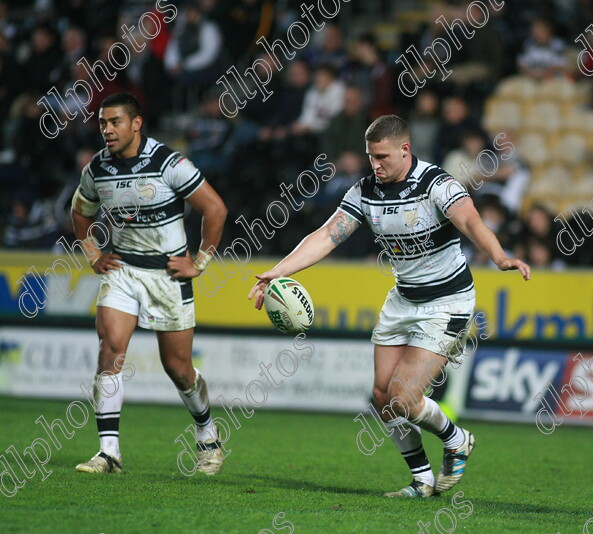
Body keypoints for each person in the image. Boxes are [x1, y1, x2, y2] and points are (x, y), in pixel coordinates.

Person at [249, 115, 530, 498]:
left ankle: (456, 438)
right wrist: (276, 272)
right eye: (370, 157)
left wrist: (499, 256)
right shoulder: (366, 190)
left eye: (382, 157)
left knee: (403, 397)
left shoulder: (436, 183)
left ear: (405, 150)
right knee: (382, 397)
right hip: (403, 298)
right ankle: (423, 480)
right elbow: (328, 236)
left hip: (447, 302)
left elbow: (471, 221)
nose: (375, 165)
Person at [71, 93, 228, 475]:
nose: (107, 129)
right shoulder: (97, 169)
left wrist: (200, 262)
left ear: (136, 124)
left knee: (178, 368)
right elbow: (80, 212)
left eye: (115, 122)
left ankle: (208, 436)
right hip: (123, 271)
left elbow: (215, 208)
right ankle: (109, 454)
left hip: (167, 274)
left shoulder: (169, 163)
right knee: (110, 348)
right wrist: (93, 254)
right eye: (103, 123)